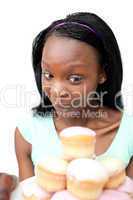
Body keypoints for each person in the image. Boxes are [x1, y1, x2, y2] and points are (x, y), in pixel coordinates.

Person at [15, 12, 133, 182]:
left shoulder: (128, 133)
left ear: (102, 73)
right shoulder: (28, 133)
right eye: (48, 74)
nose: (57, 91)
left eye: (74, 78)